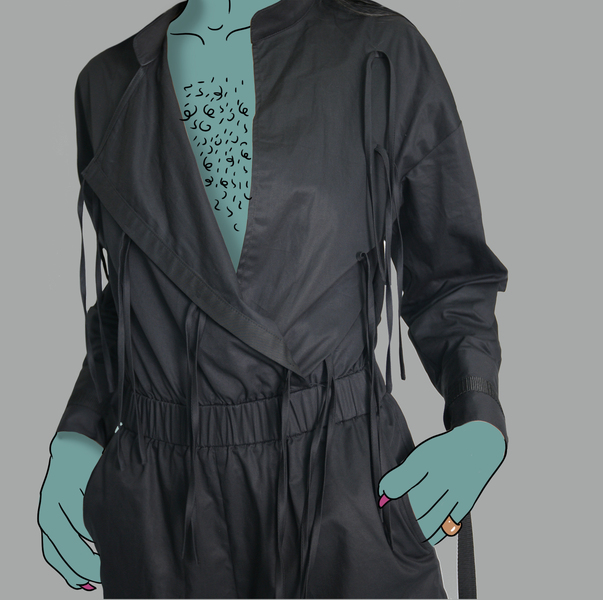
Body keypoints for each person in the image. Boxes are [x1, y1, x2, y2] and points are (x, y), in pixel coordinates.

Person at [38, 1, 508, 598]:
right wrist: (79, 431)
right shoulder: (106, 84)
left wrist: (478, 418)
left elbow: (451, 274)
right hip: (167, 506)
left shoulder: (381, 50)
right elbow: (145, 293)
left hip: (342, 482)